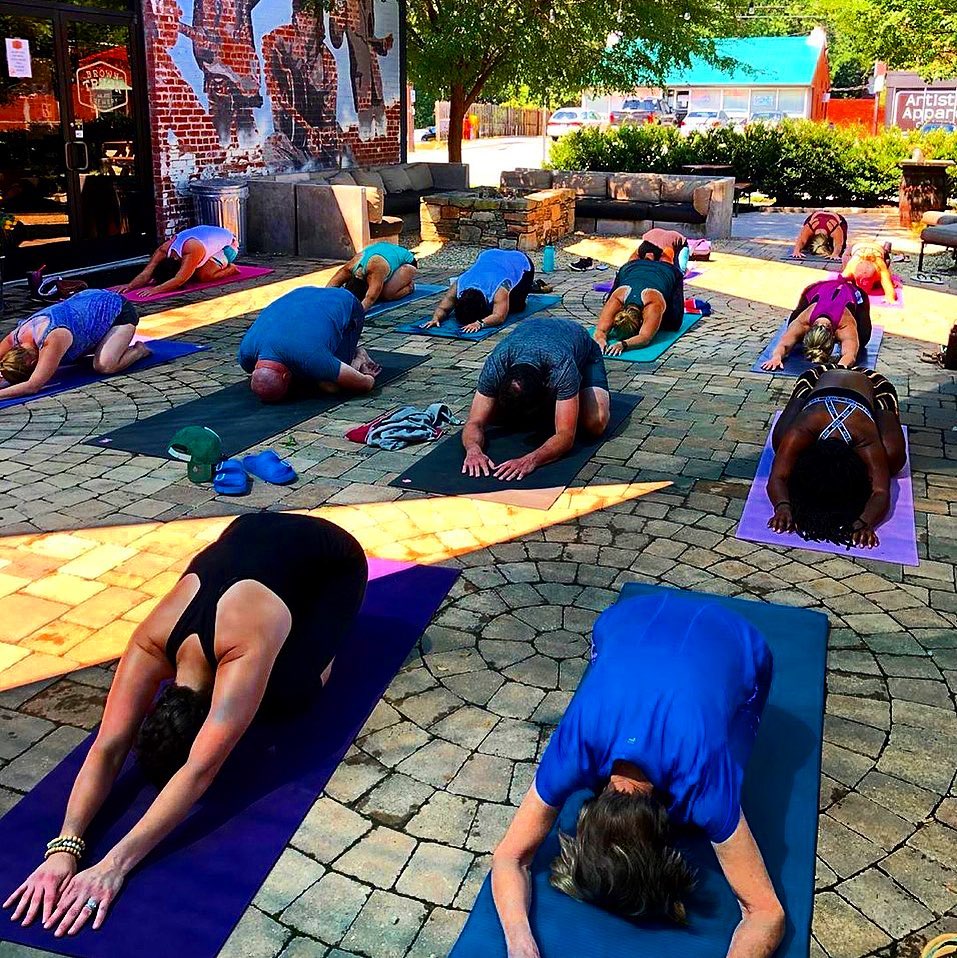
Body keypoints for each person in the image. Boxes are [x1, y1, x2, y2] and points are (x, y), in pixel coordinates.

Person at [2, 513, 368, 937]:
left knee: (293, 693)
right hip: (245, 529)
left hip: (333, 555)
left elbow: (199, 770)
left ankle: (308, 622)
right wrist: (65, 848)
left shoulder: (241, 649)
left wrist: (114, 865)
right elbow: (108, 746)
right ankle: (283, 610)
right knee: (261, 676)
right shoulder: (150, 641)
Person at [491, 590, 784, 957]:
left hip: (740, 640)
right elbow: (508, 857)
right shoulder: (575, 744)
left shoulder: (703, 778)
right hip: (625, 617)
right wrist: (520, 944)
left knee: (705, 812)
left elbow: (767, 912)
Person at [767, 365, 905, 548]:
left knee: (893, 456)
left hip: (873, 383)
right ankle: (802, 395)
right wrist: (782, 506)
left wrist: (865, 522)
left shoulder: (863, 436)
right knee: (780, 440)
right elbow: (778, 477)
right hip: (820, 378)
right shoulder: (803, 429)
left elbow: (880, 491)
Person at [462, 317, 609, 481]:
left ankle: (559, 399)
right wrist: (473, 449)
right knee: (493, 416)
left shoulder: (561, 367)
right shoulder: (497, 363)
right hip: (532, 330)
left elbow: (566, 436)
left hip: (582, 348)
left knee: (595, 422)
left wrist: (530, 460)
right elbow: (474, 421)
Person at [237, 286, 381, 402]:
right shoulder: (245, 354)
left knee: (330, 386)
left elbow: (365, 384)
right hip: (301, 293)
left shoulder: (312, 358)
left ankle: (358, 355)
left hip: (347, 302)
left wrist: (368, 376)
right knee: (311, 375)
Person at [0, 290, 147, 399]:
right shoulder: (15, 337)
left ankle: (139, 351)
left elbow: (33, 386)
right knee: (71, 355)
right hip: (88, 302)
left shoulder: (52, 339)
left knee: (104, 365)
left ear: (32, 363)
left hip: (119, 311)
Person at [761, 275, 871, 371]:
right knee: (792, 329)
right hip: (817, 289)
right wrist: (776, 357)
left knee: (862, 339)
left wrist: (837, 370)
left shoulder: (845, 326)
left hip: (851, 293)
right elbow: (783, 344)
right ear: (808, 329)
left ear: (834, 336)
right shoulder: (802, 322)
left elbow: (850, 355)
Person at [593, 242, 684, 356]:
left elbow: (645, 337)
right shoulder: (618, 297)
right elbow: (600, 331)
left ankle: (659, 249)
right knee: (638, 259)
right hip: (633, 267)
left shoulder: (653, 303)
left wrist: (623, 344)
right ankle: (649, 251)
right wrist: (600, 339)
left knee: (672, 324)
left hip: (665, 270)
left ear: (642, 321)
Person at [425, 249, 534, 334]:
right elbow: (443, 308)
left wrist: (480, 323)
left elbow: (499, 316)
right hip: (490, 255)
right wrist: (436, 318)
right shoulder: (460, 284)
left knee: (516, 307)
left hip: (520, 261)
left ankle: (533, 285)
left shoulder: (499, 288)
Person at [120, 226, 240, 299]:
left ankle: (231, 269)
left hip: (229, 246)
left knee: (203, 276)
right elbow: (147, 272)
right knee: (192, 270)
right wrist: (130, 286)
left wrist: (155, 290)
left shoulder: (192, 249)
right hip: (206, 240)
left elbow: (179, 279)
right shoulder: (164, 249)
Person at [326, 241, 417, 310]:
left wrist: (354, 313)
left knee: (387, 294)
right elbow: (328, 289)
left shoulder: (375, 273)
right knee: (379, 288)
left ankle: (409, 287)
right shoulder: (348, 269)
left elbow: (370, 299)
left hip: (407, 262)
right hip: (384, 251)